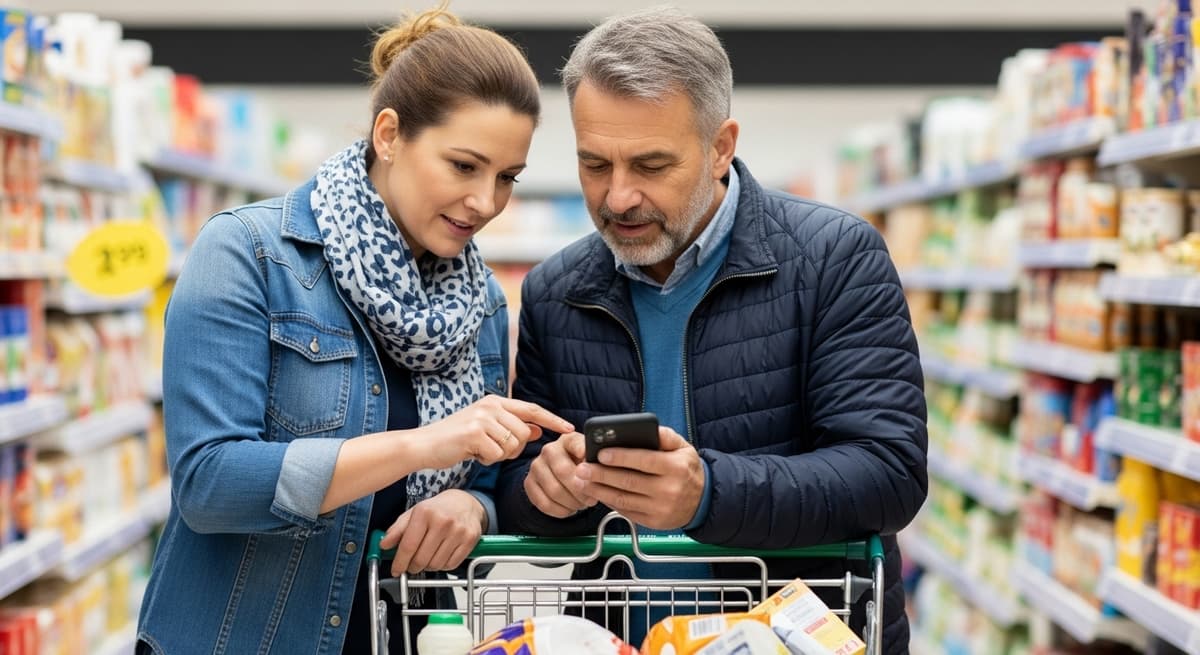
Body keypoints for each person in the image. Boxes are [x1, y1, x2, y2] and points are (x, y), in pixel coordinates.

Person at [135, 6, 574, 654]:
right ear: (390, 134)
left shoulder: (476, 298)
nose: (486, 201)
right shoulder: (249, 253)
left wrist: (471, 508)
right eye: (463, 165)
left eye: (506, 177)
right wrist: (421, 445)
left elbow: (479, 481)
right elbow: (210, 481)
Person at [496, 6, 927, 653]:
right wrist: (541, 489)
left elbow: (888, 472)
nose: (617, 197)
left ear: (721, 146)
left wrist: (707, 493)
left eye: (650, 165)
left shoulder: (834, 257)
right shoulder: (557, 290)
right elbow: (525, 494)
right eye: (595, 165)